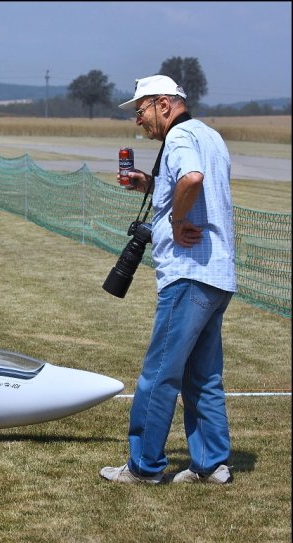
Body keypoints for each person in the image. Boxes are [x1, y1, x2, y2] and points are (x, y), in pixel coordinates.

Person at [99, 75, 236, 485]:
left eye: (140, 110)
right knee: (203, 376)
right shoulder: (210, 135)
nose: (138, 120)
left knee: (159, 373)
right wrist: (152, 185)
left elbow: (192, 179)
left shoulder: (177, 138)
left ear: (163, 104)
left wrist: (176, 221)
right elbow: (190, 183)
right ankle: (211, 465)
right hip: (217, 274)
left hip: (188, 274)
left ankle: (144, 466)